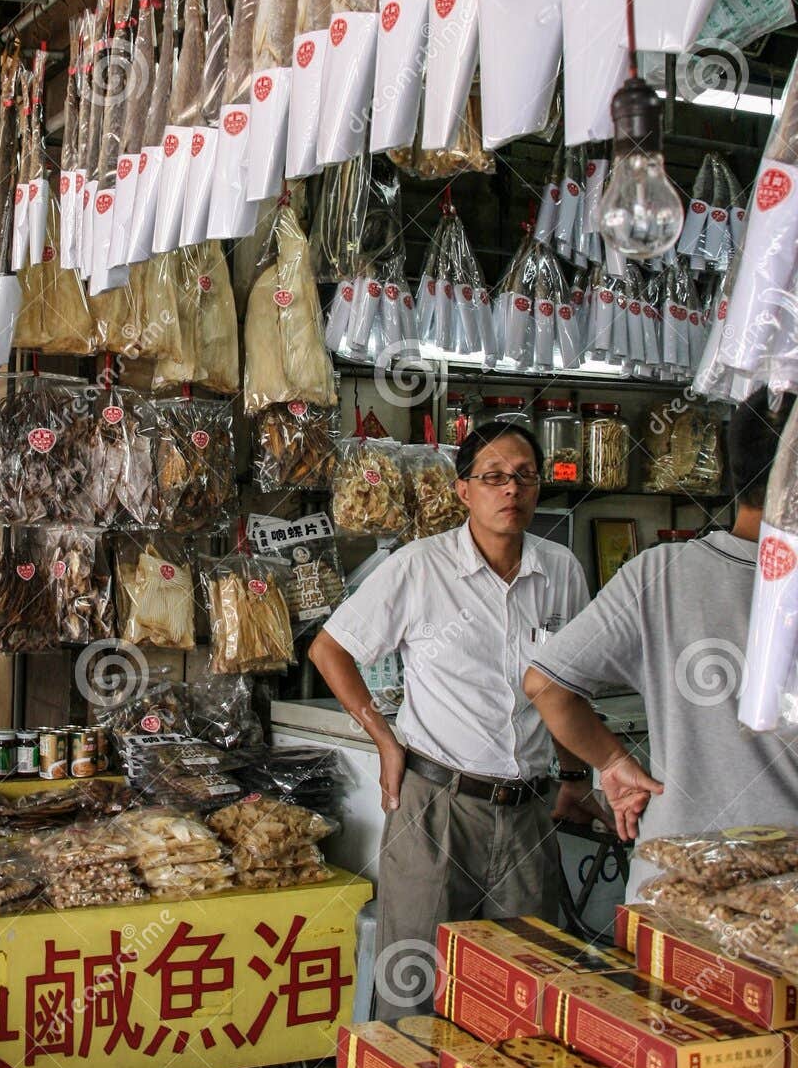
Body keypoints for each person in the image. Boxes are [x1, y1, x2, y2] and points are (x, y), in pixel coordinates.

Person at [309, 421, 594, 1020]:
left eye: (523, 476)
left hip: (526, 815)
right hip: (437, 807)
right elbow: (329, 649)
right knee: (414, 989)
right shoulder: (420, 567)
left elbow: (569, 684)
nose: (509, 490)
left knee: (522, 994)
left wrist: (575, 776)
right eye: (492, 478)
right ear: (463, 490)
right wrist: (385, 741)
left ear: (539, 488)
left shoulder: (562, 570)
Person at [523, 389, 798, 900]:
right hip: (779, 908)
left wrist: (614, 763)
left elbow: (545, 685)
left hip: (673, 885)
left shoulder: (662, 571)